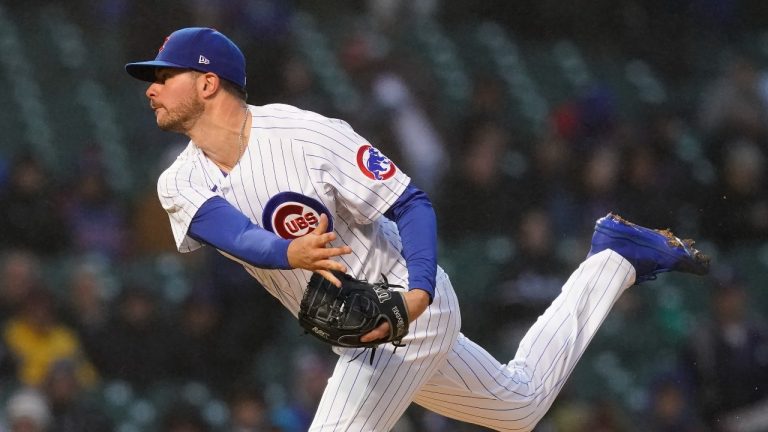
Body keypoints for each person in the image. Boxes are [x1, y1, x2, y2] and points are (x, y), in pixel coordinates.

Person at [125, 27, 710, 431]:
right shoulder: (178, 181)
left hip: (407, 303)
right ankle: (615, 260)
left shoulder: (305, 135)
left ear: (207, 83)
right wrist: (287, 251)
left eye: (163, 75)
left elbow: (411, 202)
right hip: (357, 326)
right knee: (519, 405)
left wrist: (421, 293)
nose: (149, 87)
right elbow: (231, 233)